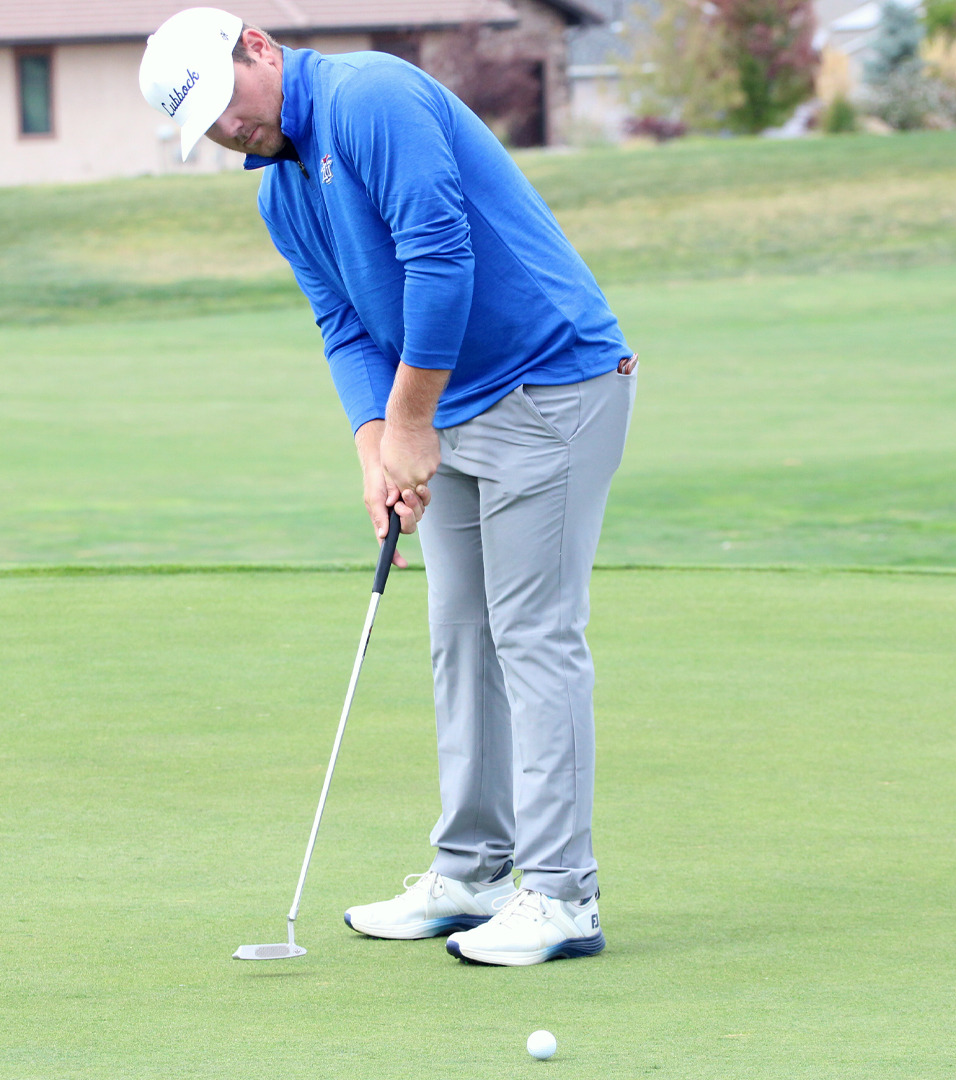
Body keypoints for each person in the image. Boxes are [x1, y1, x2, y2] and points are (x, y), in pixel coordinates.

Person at [140, 8, 637, 967]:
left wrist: (411, 424)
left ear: (259, 48)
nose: (227, 130)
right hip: (448, 404)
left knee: (532, 632)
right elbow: (345, 325)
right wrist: (376, 446)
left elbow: (439, 259)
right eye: (203, 125)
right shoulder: (280, 192)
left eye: (224, 104)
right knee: (460, 633)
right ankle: (474, 870)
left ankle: (562, 895)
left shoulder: (370, 97)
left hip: (550, 382)